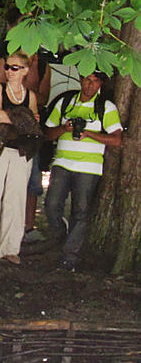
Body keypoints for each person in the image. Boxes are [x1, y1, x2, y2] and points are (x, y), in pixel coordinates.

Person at [44, 71, 122, 271]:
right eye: (87, 80)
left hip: (89, 167)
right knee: (52, 205)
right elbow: (47, 134)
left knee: (81, 211)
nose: (90, 85)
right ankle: (62, 236)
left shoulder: (105, 107)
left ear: (100, 84)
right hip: (62, 162)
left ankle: (69, 257)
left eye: (95, 81)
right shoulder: (66, 102)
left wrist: (89, 134)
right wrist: (65, 129)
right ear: (80, 80)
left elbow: (116, 139)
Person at [0, 52, 42, 264]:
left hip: (21, 152)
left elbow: (34, 124)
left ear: (25, 71)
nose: (9, 71)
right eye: (7, 67)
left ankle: (10, 249)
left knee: (16, 199)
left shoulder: (30, 95)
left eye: (14, 68)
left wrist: (11, 117)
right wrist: (24, 118)